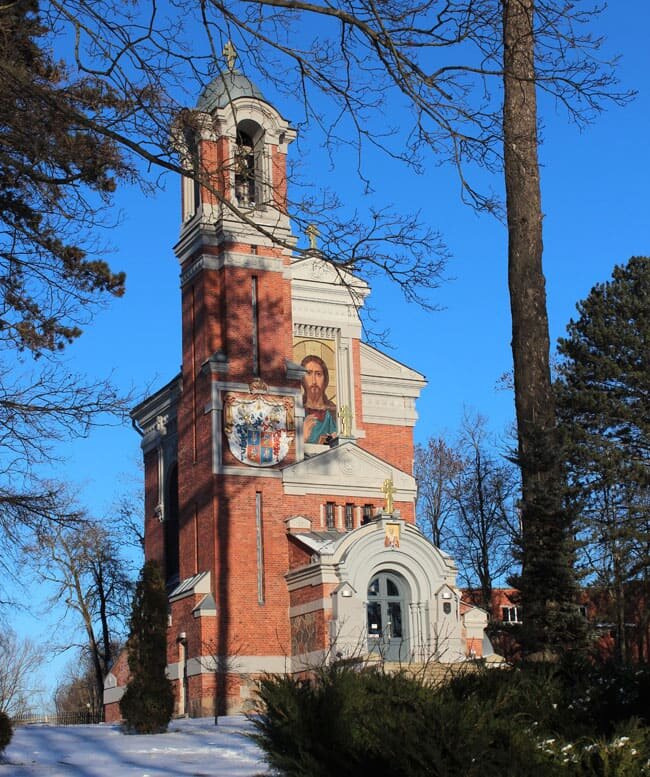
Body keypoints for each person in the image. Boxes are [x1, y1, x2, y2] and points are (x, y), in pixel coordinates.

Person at [301, 354, 338, 444]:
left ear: (325, 379)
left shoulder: (333, 412)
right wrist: (302, 437)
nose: (314, 381)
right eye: (308, 373)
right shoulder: (296, 408)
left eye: (318, 374)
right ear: (302, 378)